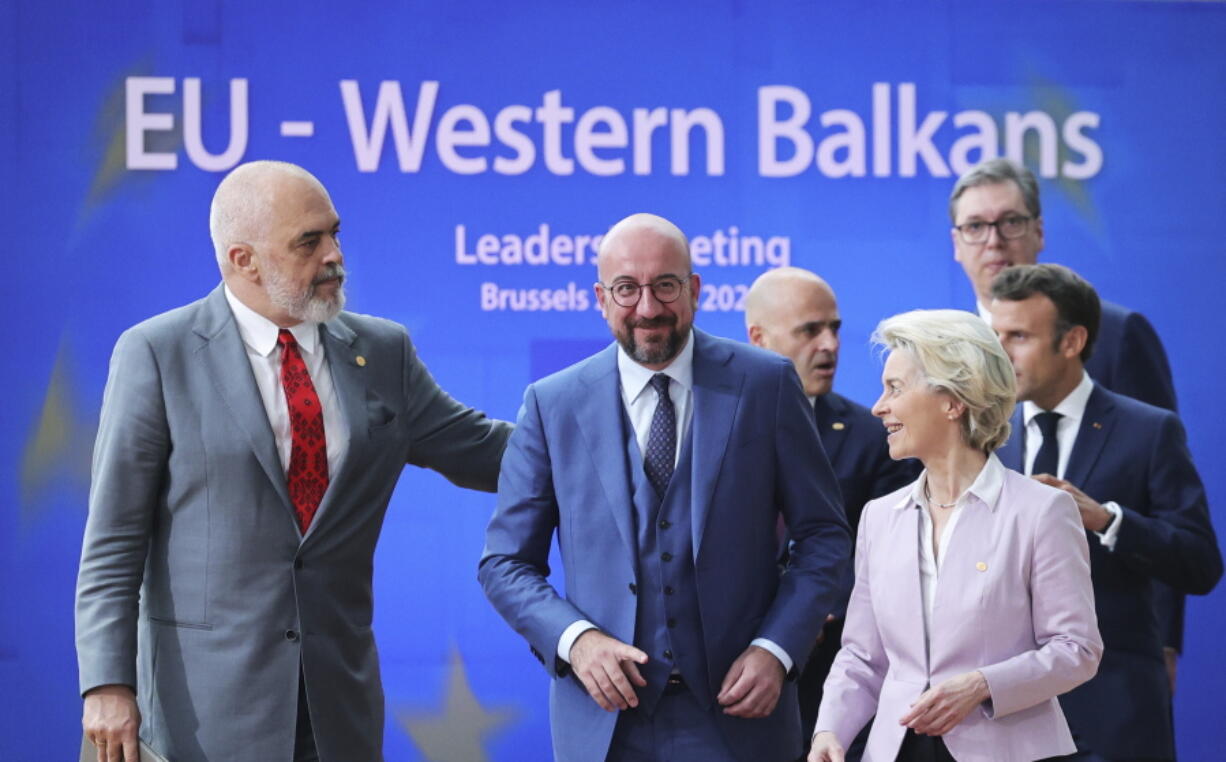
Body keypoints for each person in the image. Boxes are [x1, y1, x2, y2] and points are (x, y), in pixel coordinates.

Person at [75, 160, 512, 762]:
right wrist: (106, 683)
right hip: (201, 714)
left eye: (335, 233)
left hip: (337, 708)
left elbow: (484, 451)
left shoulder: (383, 351)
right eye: (309, 242)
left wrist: (605, 436)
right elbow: (113, 540)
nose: (334, 254)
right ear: (242, 260)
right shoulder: (156, 354)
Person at [480, 213, 851, 762]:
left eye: (666, 286)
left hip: (740, 721)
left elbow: (824, 537)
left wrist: (776, 649)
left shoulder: (767, 385)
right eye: (627, 289)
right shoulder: (552, 403)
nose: (648, 308)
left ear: (695, 290)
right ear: (601, 298)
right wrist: (575, 640)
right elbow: (504, 563)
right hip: (604, 724)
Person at [810, 309, 1102, 762]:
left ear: (953, 401)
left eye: (895, 388)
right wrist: (830, 731)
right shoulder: (880, 517)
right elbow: (862, 657)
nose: (878, 406)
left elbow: (1076, 649)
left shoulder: (1042, 511)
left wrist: (983, 684)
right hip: (897, 750)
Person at [948, 157, 1187, 682]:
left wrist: (1163, 637)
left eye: (1010, 222)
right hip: (990, 664)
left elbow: (1160, 493)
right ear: (956, 242)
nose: (994, 241)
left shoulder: (1117, 333)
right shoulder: (947, 351)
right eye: (975, 227)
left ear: (1038, 231)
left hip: (1112, 651)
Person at [989, 264, 1221, 761]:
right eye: (995, 334)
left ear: (1071, 341)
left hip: (1115, 714)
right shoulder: (987, 435)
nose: (1000, 352)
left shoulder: (1148, 430)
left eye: (1019, 336)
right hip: (1005, 716)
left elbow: (1200, 563)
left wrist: (1109, 521)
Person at [745, 267, 918, 752]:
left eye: (835, 328)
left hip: (839, 686)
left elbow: (894, 555)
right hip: (729, 681)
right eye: (809, 330)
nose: (829, 344)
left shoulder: (876, 436)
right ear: (758, 338)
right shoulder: (713, 428)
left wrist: (813, 610)